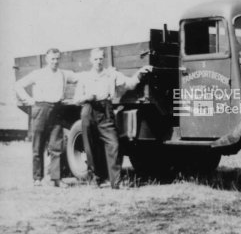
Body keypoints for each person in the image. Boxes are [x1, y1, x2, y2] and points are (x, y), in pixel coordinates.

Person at [73, 48, 151, 189]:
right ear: (91, 61)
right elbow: (76, 99)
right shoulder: (85, 77)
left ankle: (116, 182)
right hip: (88, 110)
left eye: (101, 58)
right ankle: (95, 179)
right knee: (91, 147)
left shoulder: (111, 74)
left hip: (106, 110)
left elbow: (129, 84)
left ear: (104, 59)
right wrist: (87, 97)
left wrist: (140, 73)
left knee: (114, 144)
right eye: (96, 59)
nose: (98, 62)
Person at [15, 48, 79, 187]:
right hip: (40, 109)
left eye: (57, 59)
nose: (55, 62)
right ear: (47, 59)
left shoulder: (63, 74)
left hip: (56, 110)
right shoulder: (38, 74)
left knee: (56, 145)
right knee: (38, 145)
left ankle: (56, 178)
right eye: (52, 59)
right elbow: (18, 85)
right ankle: (37, 178)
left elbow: (80, 78)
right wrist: (29, 101)